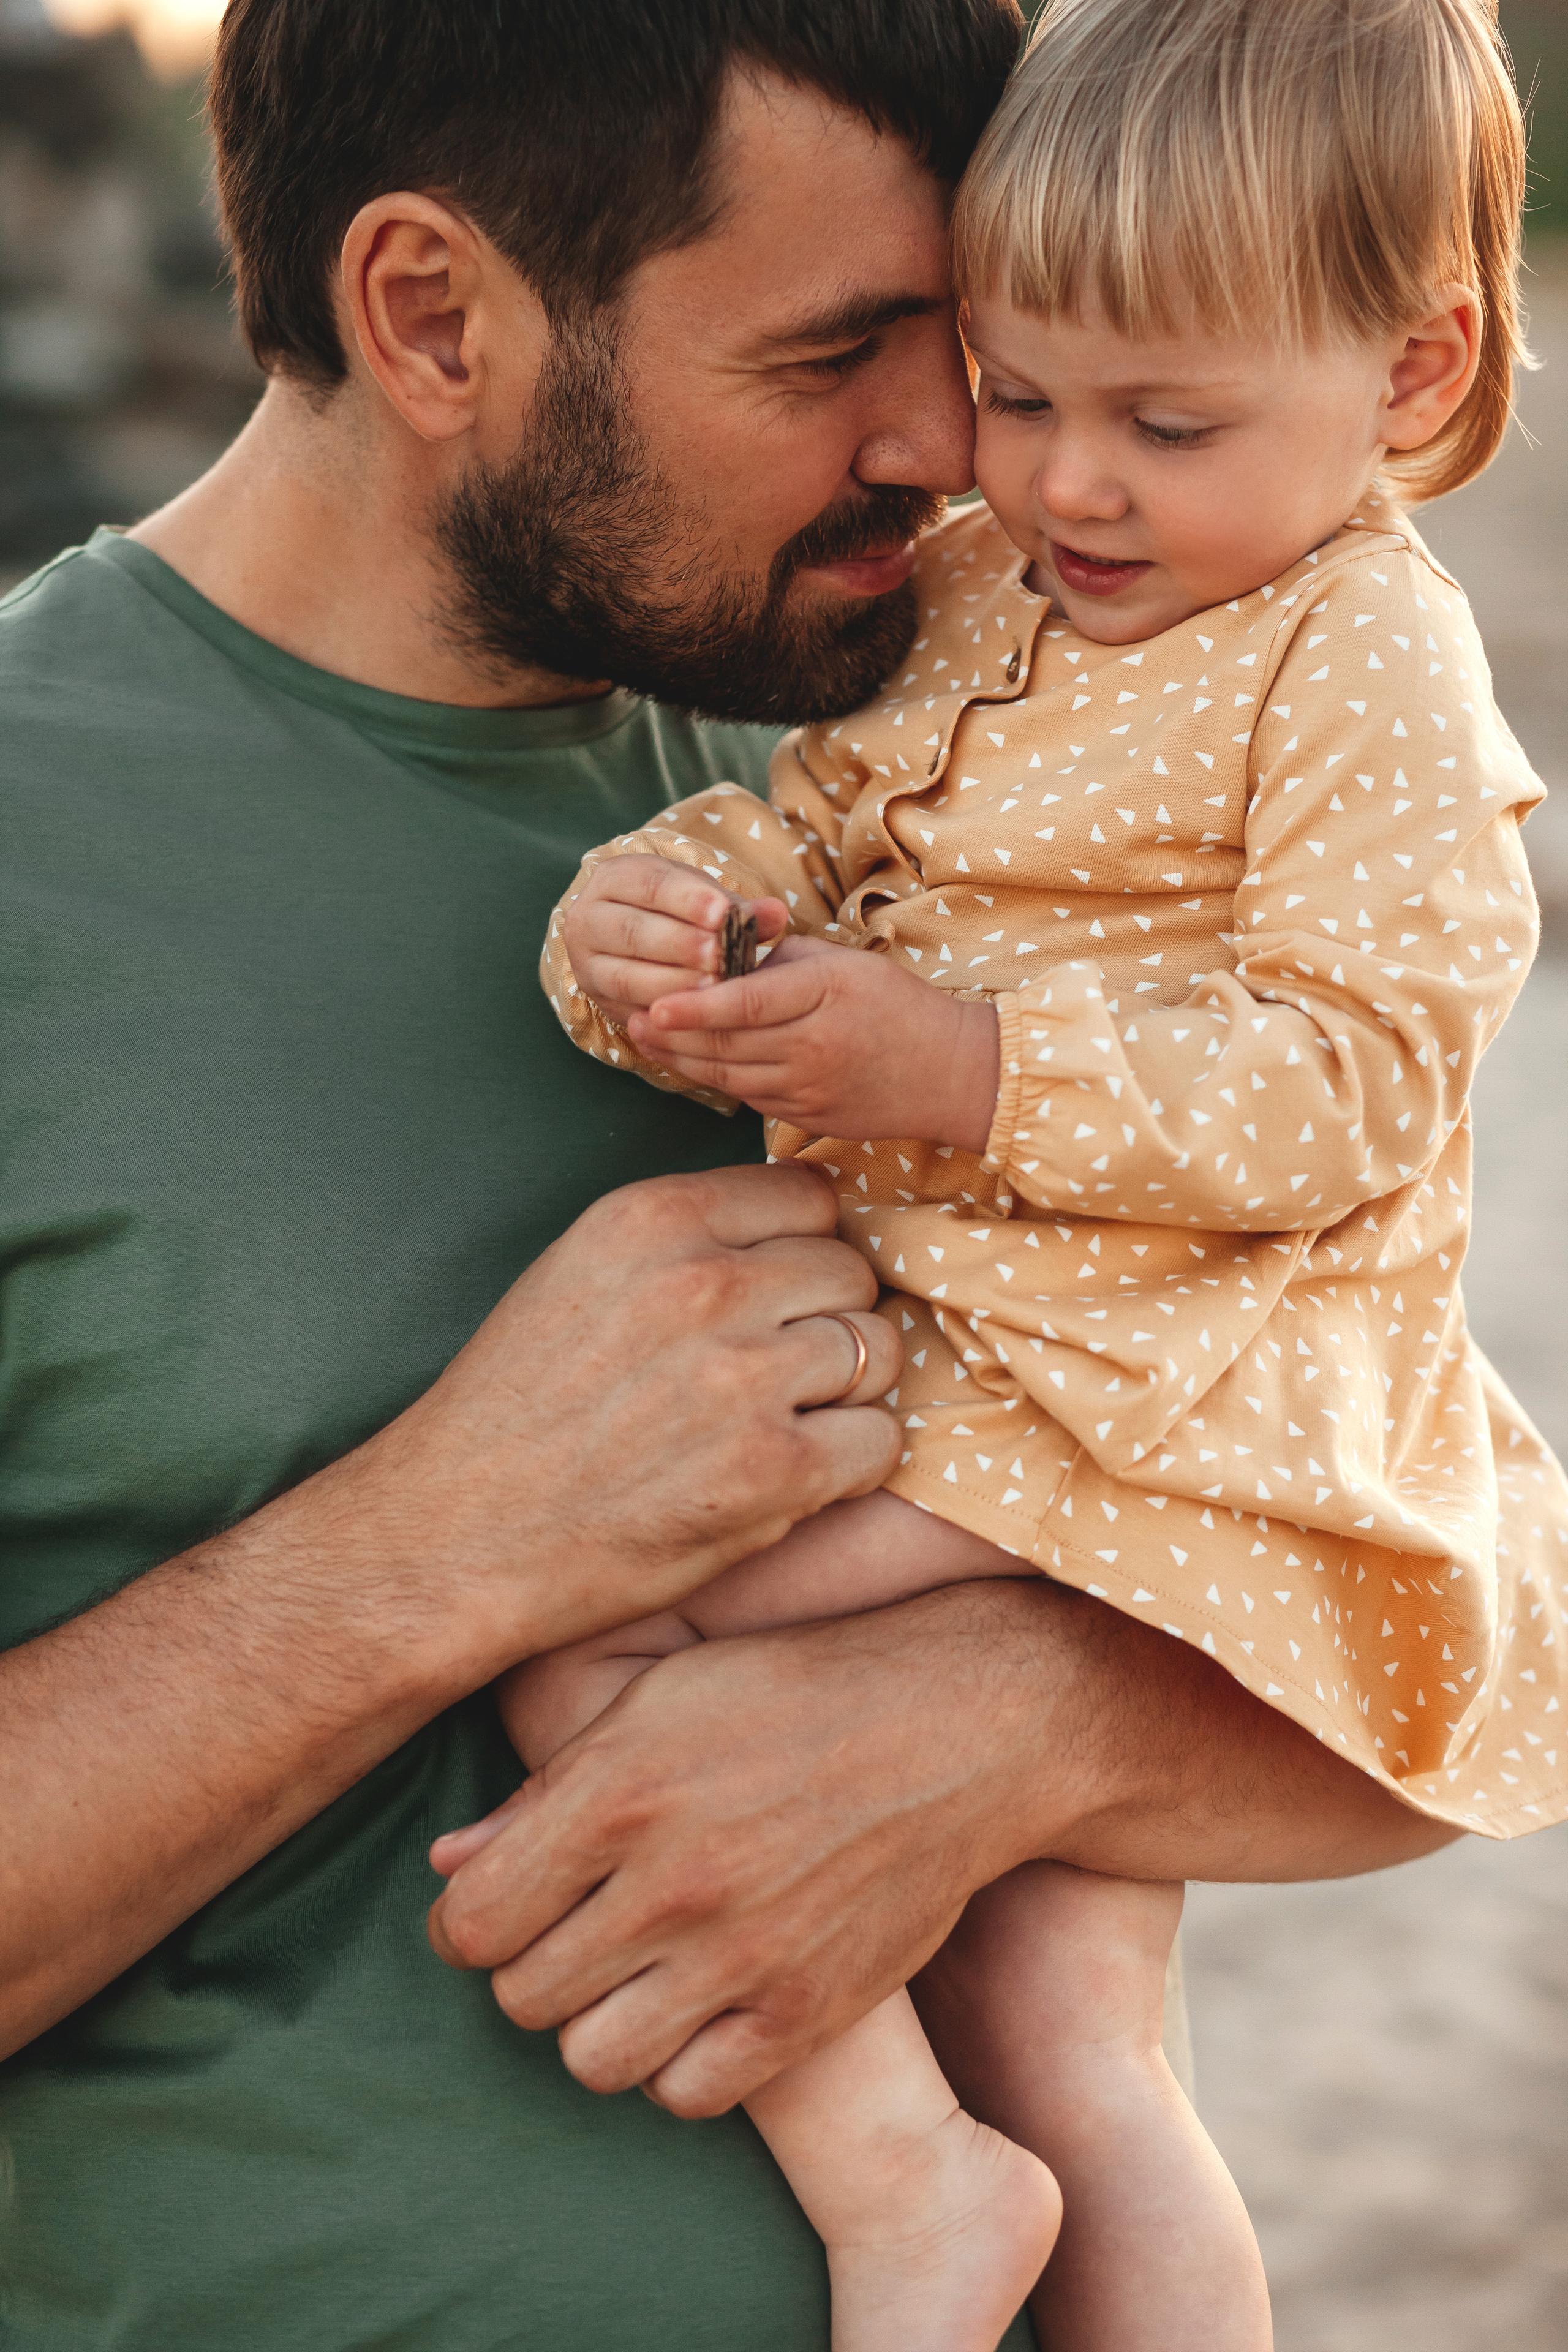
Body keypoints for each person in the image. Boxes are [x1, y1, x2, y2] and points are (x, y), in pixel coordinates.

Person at [0, 3, 1490, 2348]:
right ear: (432, 313)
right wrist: (438, 1549)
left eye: (969, 344)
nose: (952, 452)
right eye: (840, 353)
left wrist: (1010, 1717)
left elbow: (1473, 1631)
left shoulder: (964, 737)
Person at [532, 1, 1568, 2345]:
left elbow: (1359, 1078)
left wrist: (975, 1066)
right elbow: (812, 845)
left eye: (1165, 422)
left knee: (590, 1603)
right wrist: (658, 928)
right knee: (1069, 2038)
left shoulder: (1365, 658)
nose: (1071, 483)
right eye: (1019, 390)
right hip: (981, 1380)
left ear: (1410, 375)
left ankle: (900, 2192)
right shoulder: (989, 582)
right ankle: (963, 2185)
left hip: (1146, 1408)